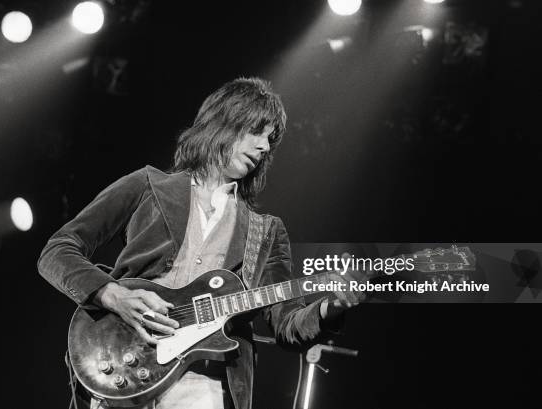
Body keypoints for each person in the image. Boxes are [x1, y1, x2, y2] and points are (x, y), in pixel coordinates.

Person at [38, 77, 366, 409]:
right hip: (121, 365)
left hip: (202, 385)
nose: (265, 147)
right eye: (257, 132)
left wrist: (332, 307)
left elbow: (287, 324)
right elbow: (58, 250)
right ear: (224, 123)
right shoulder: (148, 185)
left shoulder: (265, 231)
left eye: (270, 140)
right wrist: (113, 294)